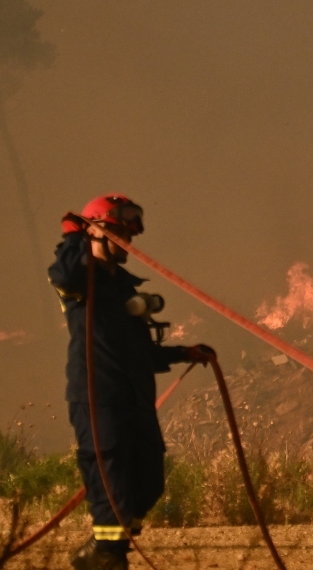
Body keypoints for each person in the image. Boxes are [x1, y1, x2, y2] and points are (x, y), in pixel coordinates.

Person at [48, 193, 215, 570]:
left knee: (149, 479)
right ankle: (108, 557)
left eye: (130, 235)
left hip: (135, 397)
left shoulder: (125, 288)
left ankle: (103, 550)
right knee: (111, 475)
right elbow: (64, 273)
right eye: (120, 233)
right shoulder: (81, 282)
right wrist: (75, 237)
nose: (128, 242)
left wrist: (185, 353)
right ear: (98, 231)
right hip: (98, 396)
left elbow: (141, 353)